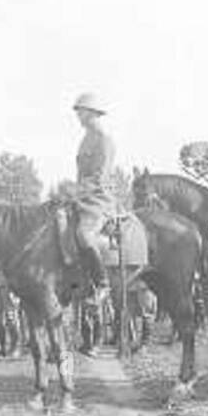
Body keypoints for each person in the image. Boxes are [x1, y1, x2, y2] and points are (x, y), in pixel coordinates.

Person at [72, 92, 118, 293]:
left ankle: (102, 282)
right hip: (82, 198)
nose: (78, 116)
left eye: (81, 111)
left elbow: (100, 177)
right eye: (78, 112)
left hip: (98, 200)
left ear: (93, 113)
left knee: (84, 234)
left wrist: (77, 191)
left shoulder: (104, 140)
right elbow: (81, 174)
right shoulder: (85, 139)